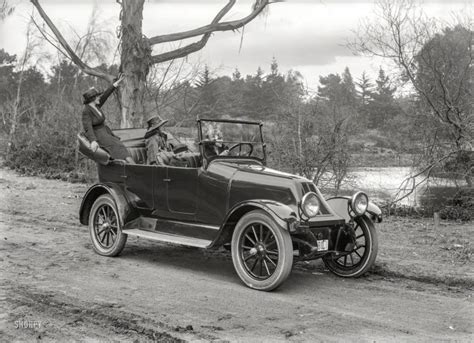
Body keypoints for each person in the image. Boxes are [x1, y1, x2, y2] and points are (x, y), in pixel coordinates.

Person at [81, 74, 135, 164]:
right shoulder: (86, 111)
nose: (99, 97)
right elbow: (88, 127)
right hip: (99, 136)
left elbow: (105, 95)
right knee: (117, 146)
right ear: (92, 99)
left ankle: (133, 166)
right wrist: (93, 141)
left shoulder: (96, 105)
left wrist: (115, 84)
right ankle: (132, 167)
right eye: (97, 96)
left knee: (120, 145)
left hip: (106, 133)